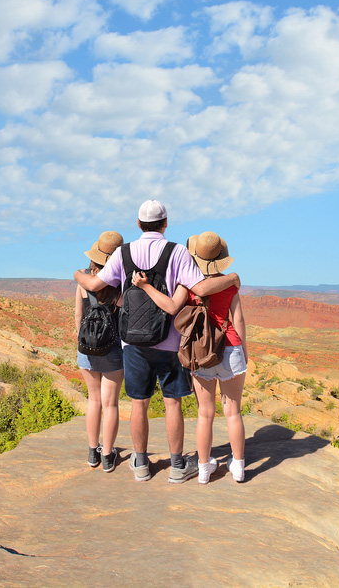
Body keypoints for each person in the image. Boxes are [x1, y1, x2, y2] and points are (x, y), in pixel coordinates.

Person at [74, 200, 240, 483]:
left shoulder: (124, 253)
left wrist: (76, 274)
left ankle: (140, 464)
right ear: (165, 223)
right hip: (170, 342)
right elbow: (199, 288)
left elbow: (92, 285)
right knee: (172, 403)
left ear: (138, 224)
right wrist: (234, 278)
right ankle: (177, 466)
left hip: (133, 344)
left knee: (139, 404)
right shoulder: (177, 252)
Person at [131, 231, 248, 484]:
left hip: (200, 351)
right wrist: (244, 352)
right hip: (230, 348)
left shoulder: (187, 285)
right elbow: (237, 321)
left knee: (205, 413)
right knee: (233, 412)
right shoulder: (230, 284)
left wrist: (145, 286)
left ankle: (204, 470)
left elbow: (172, 307)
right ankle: (238, 467)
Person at [75, 230, 125, 473]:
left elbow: (78, 315)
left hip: (86, 349)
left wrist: (85, 341)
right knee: (111, 404)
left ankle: (92, 451)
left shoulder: (84, 280)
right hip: (113, 350)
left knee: (93, 401)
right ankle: (107, 456)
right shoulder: (120, 282)